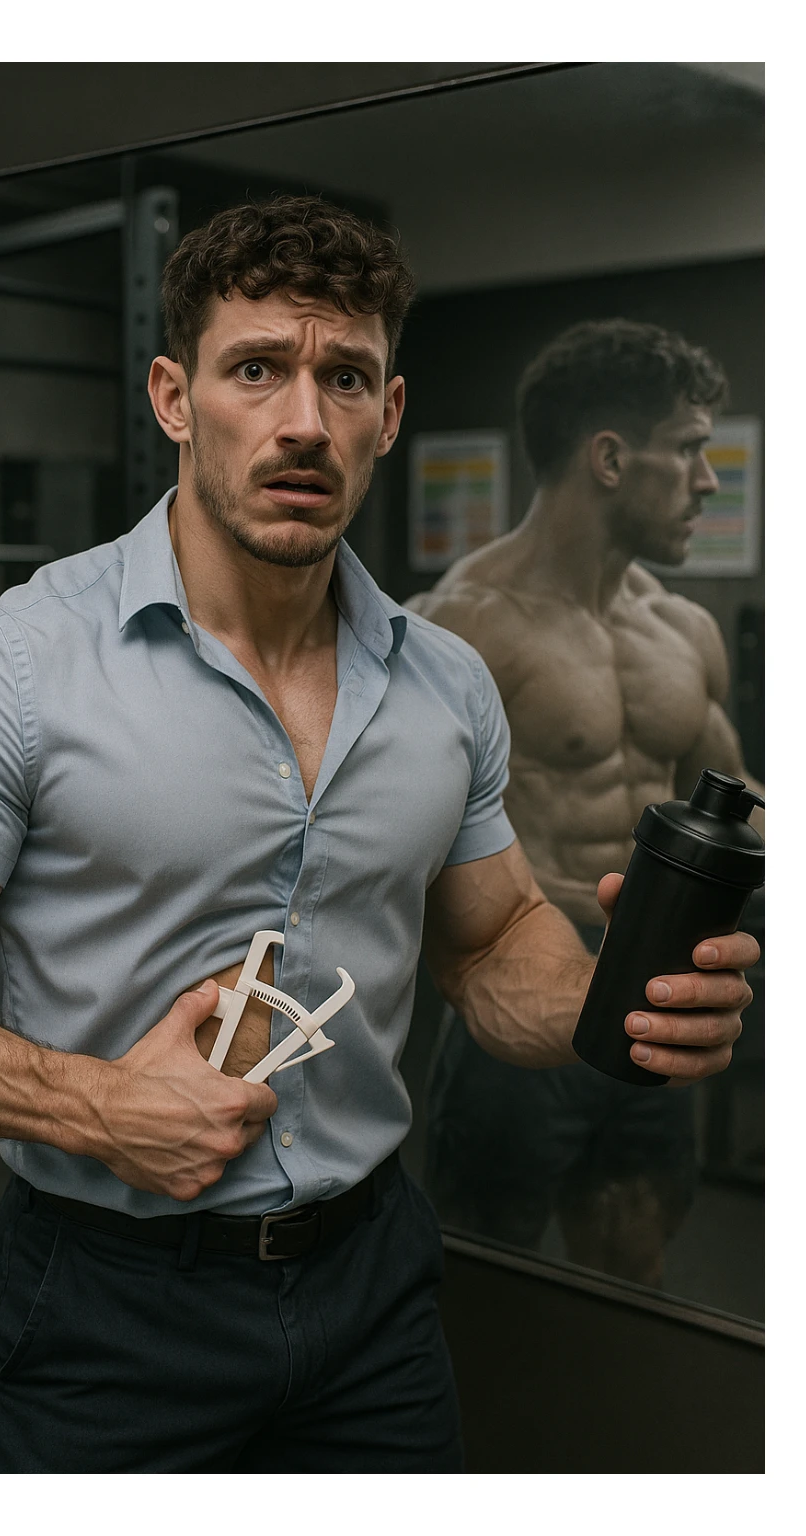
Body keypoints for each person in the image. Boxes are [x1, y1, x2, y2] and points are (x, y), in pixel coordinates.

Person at [0, 202, 757, 1474]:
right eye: (256, 368)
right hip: (111, 1299)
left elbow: (491, 943)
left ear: (390, 412)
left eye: (346, 378)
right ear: (174, 397)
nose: (304, 420)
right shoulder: (8, 666)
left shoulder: (445, 683)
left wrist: (618, 1003)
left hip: (373, 1284)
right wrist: (97, 1107)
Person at [409, 319, 764, 1286]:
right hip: (522, 1002)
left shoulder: (682, 629)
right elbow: (401, 847)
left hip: (655, 998)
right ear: (609, 459)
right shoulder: (463, 632)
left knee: (634, 1253)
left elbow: (735, 799)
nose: (709, 481)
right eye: (689, 450)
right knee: (491, 1281)